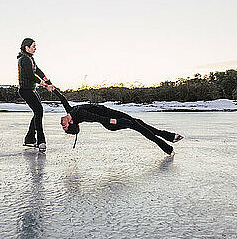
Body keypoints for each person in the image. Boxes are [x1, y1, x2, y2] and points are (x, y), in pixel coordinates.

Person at [53, 89, 183, 155]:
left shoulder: (71, 111)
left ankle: (170, 137)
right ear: (71, 123)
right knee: (140, 127)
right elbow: (98, 118)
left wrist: (50, 87)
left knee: (140, 124)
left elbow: (62, 99)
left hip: (113, 116)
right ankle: (168, 148)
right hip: (112, 121)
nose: (61, 124)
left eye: (62, 126)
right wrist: (115, 121)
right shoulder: (80, 114)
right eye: (64, 127)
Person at [17, 38, 53, 152]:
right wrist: (44, 85)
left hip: (32, 89)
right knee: (38, 112)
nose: (35, 48)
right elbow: (31, 76)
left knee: (39, 111)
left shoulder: (30, 58)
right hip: (26, 90)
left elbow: (38, 71)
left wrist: (47, 81)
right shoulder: (24, 59)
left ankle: (29, 138)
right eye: (33, 46)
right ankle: (41, 140)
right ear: (26, 48)